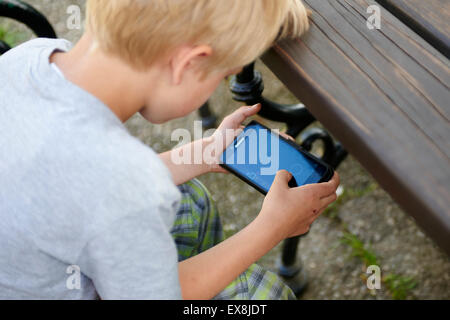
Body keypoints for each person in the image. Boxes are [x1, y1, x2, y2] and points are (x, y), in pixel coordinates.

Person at [0, 0, 339, 299]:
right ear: (188, 63)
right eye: (223, 75)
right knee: (264, 295)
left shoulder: (28, 59)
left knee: (188, 200)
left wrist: (205, 153)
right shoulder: (127, 183)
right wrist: (273, 227)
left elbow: (80, 182)